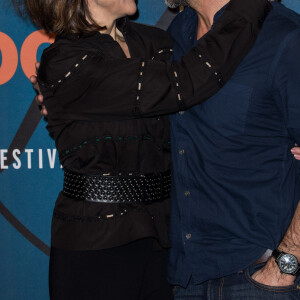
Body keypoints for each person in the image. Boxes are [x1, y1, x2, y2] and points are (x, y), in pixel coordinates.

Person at [17, 0, 270, 299]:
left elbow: (212, 100)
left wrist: (284, 135)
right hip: (96, 243)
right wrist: (252, 5)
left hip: (164, 240)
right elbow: (184, 84)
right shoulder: (65, 62)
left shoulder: (158, 42)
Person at [164, 0, 300, 299]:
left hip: (260, 277)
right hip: (188, 276)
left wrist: (286, 264)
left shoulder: (283, 35)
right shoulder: (176, 33)